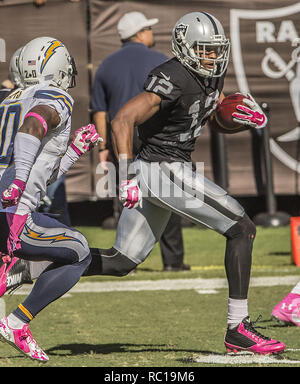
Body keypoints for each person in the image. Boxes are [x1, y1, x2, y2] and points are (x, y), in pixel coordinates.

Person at [84, 12, 285, 355]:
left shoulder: (212, 76)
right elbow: (122, 119)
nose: (213, 56)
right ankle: (238, 327)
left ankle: (37, 261)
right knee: (242, 228)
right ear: (185, 47)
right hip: (161, 169)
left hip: (167, 169)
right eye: (205, 49)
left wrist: (237, 120)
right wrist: (127, 173)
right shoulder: (173, 75)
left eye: (215, 49)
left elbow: (208, 120)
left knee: (121, 261)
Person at [0, 36, 101, 362]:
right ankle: (17, 322)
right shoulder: (55, 96)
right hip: (12, 214)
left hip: (6, 206)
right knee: (80, 253)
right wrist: (17, 181)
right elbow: (34, 126)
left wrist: (73, 151)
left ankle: (12, 271)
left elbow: (42, 174)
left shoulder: (7, 100)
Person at [91, 11, 188, 271]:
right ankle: (173, 261)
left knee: (126, 197)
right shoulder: (161, 61)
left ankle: (124, 259)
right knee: (168, 193)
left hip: (118, 137)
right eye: (148, 28)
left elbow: (100, 110)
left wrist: (103, 147)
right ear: (140, 32)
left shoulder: (105, 66)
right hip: (153, 138)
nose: (151, 33)